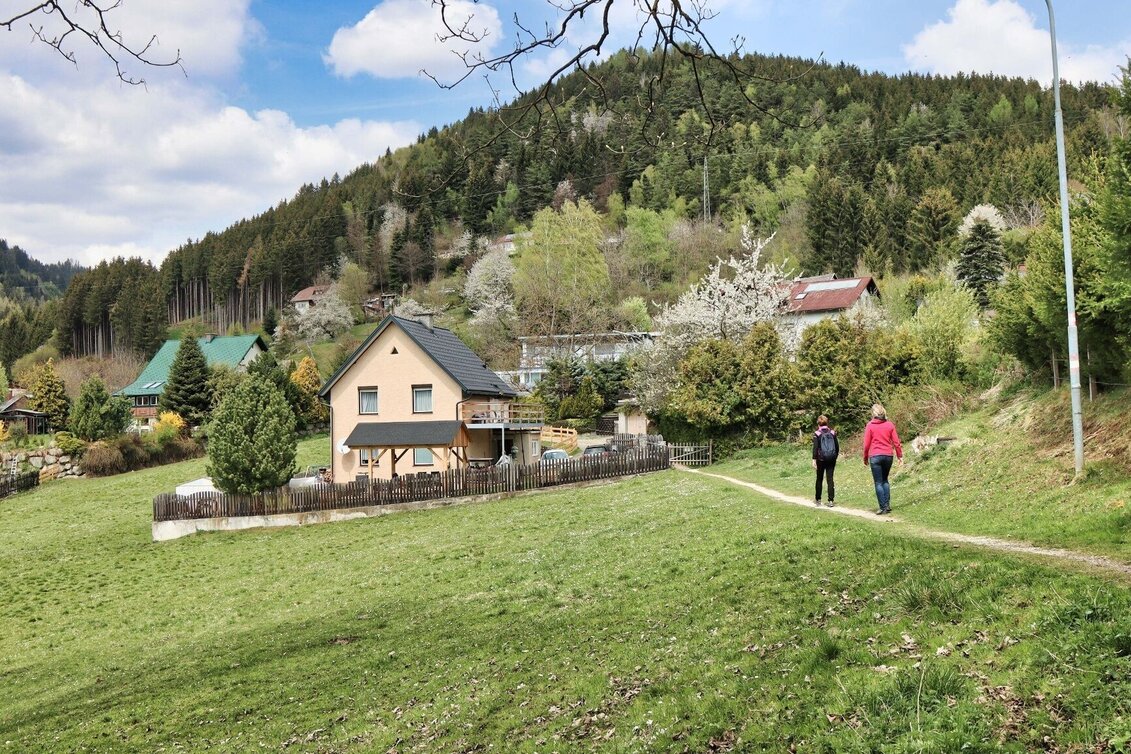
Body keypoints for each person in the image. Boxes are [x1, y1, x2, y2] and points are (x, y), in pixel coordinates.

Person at [862, 403, 903, 515]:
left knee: (878, 482)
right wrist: (900, 456)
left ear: (873, 413)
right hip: (888, 455)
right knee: (885, 480)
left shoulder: (870, 425)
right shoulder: (890, 425)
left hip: (875, 456)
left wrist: (865, 457)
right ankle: (887, 505)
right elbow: (896, 442)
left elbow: (866, 445)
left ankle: (883, 507)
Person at [811, 415, 838, 507]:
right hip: (831, 458)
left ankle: (818, 499)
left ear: (818, 423)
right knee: (830, 479)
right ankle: (831, 500)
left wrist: (814, 459)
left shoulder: (817, 434)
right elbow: (837, 446)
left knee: (819, 479)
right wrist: (835, 456)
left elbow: (815, 448)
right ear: (827, 423)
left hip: (821, 459)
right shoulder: (833, 432)